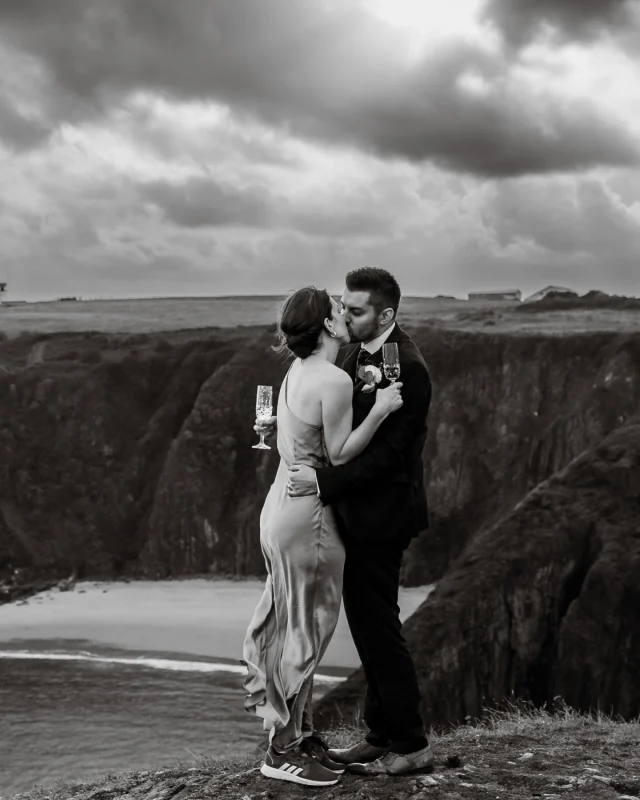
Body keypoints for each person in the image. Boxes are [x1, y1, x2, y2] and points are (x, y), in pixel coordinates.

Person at [242, 285, 404, 787]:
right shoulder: (332, 379)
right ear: (330, 327)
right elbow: (341, 453)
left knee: (288, 621)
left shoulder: (296, 372)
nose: (345, 315)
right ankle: (282, 751)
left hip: (280, 506)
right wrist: (380, 409)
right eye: (338, 310)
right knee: (304, 631)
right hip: (309, 516)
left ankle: (302, 736)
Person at [286, 267, 434, 776]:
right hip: (355, 514)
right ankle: (380, 734)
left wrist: (323, 485)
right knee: (369, 628)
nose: (344, 316)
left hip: (383, 517)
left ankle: (411, 745)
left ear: (386, 314)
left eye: (356, 310)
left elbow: (391, 457)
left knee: (380, 630)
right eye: (342, 307)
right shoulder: (352, 355)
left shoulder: (409, 369)